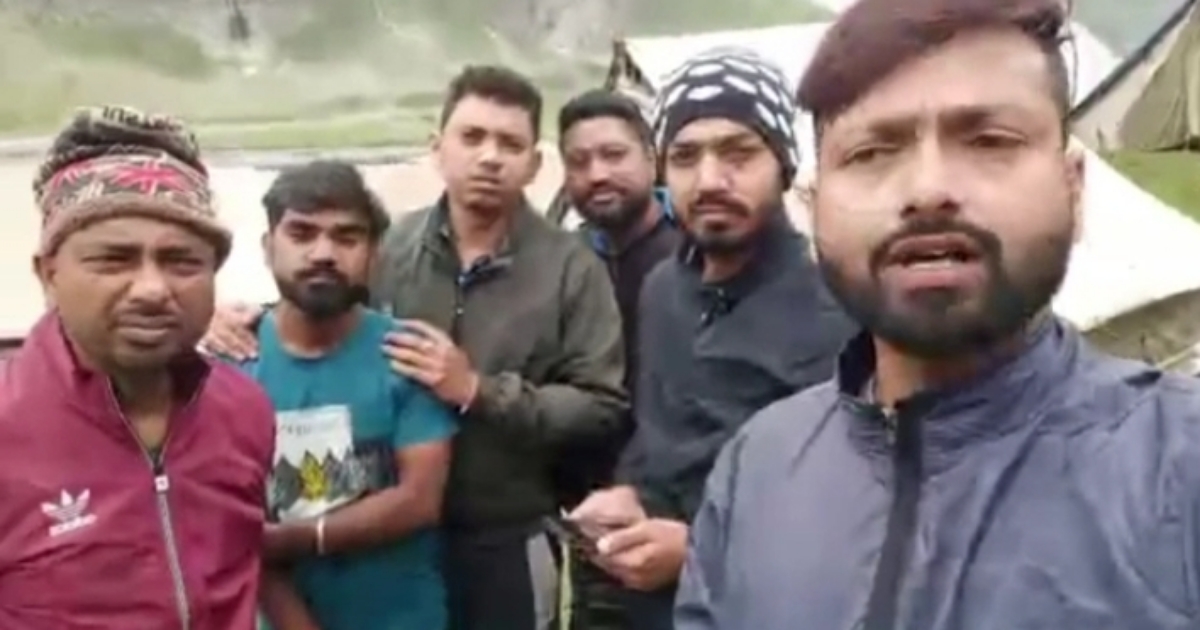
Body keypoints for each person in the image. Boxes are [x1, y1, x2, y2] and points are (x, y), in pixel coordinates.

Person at [675, 0, 1200, 628]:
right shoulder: (755, 471)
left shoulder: (1179, 464)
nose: (928, 190)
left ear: (1074, 188)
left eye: (989, 141)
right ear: (812, 211)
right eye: (872, 152)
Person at [201, 65, 629, 630]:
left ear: (533, 163)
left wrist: (478, 391)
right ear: (438, 148)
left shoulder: (572, 267)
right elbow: (326, 303)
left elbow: (602, 406)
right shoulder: (392, 246)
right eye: (472, 137)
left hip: (504, 535)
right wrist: (237, 319)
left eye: (509, 143)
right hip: (378, 543)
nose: (489, 157)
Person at [570, 49, 856, 630]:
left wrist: (698, 551)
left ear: (784, 164)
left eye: (738, 153)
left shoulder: (838, 310)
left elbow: (849, 505)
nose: (709, 180)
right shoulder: (663, 290)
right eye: (685, 156)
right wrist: (629, 494)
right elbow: (656, 434)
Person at [0, 106, 275, 628]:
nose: (151, 289)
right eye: (114, 259)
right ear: (48, 273)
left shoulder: (245, 411)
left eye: (182, 262)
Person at [231, 161, 456, 630]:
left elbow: (419, 500)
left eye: (346, 237)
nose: (323, 253)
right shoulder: (229, 365)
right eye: (302, 234)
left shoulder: (408, 355)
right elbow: (229, 522)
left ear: (374, 255)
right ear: (268, 248)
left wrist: (297, 538)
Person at [556, 90, 682, 630]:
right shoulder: (564, 262)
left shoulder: (698, 253)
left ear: (651, 158)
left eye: (613, 155)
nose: (597, 174)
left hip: (683, 517)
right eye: (579, 161)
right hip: (591, 520)